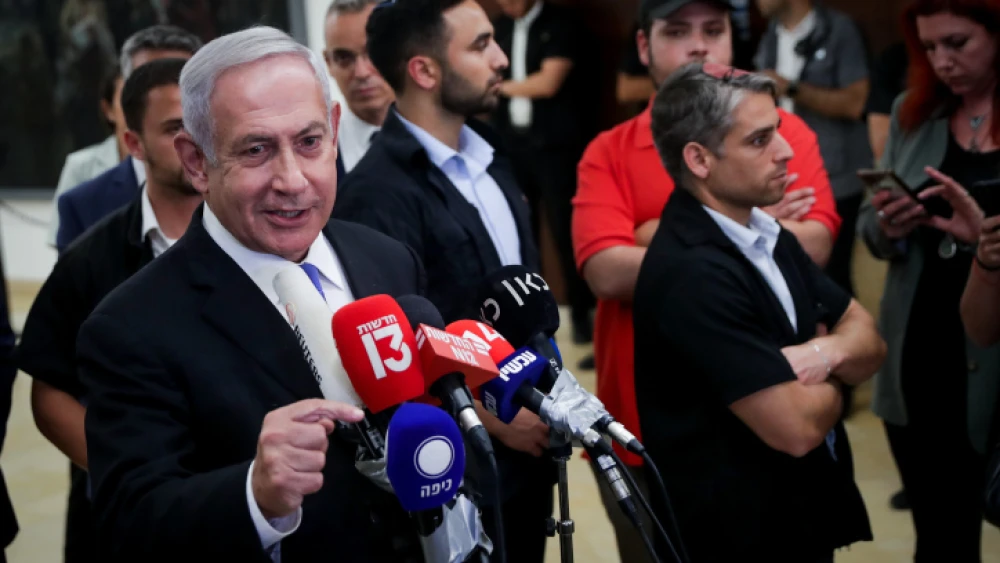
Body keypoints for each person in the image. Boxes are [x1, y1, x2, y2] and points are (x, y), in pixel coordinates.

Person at [77, 26, 425, 561]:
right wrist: (255, 495)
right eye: (257, 150)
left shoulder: (388, 258)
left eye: (309, 142)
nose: (292, 179)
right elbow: (132, 523)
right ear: (196, 161)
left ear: (333, 131)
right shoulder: (130, 327)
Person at [571, 1, 841, 560]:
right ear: (644, 48)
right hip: (646, 434)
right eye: (676, 33)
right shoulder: (610, 150)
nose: (699, 47)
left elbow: (814, 243)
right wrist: (750, 234)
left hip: (779, 411)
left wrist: (656, 234)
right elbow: (604, 270)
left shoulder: (782, 133)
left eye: (714, 31)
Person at [635, 61, 883, 562]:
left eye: (780, 132)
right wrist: (841, 372)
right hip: (736, 537)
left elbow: (870, 338)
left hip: (795, 518)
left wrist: (819, 354)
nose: (786, 152)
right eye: (759, 140)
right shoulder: (694, 272)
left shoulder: (764, 234)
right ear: (699, 160)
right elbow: (796, 429)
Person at [333, 1, 554, 561]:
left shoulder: (494, 157)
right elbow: (390, 346)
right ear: (425, 71)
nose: (501, 60)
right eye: (481, 45)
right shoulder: (376, 193)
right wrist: (493, 419)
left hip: (532, 443)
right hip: (462, 463)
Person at [19, 58, 199, 563]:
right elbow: (49, 389)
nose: (194, 142)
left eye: (203, 123)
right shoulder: (89, 260)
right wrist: (125, 471)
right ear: (133, 145)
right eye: (173, 129)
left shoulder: (259, 238)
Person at [858, 0, 1000, 559]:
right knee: (940, 533)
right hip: (921, 343)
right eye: (930, 47)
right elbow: (871, 227)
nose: (942, 61)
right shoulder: (911, 112)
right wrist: (890, 224)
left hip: (993, 343)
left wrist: (978, 237)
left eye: (958, 44)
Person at [492, 0, 597, 347]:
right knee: (519, 232)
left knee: (567, 232)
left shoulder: (560, 22)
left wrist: (500, 87)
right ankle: (529, 318)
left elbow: (548, 82)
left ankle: (582, 315)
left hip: (555, 149)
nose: (502, 4)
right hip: (512, 145)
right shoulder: (500, 28)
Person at [753, 0, 873, 297]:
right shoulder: (770, 35)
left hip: (838, 176)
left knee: (832, 275)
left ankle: (841, 340)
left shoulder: (839, 29)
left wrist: (791, 87)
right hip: (784, 174)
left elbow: (856, 102)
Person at [54, 24, 202, 252]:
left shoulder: (241, 192)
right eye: (146, 79)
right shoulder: (82, 204)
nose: (168, 93)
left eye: (180, 79)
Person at [323, 0, 394, 176]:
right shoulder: (317, 154)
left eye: (372, 52)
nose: (361, 72)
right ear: (328, 63)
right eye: (343, 57)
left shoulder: (450, 140)